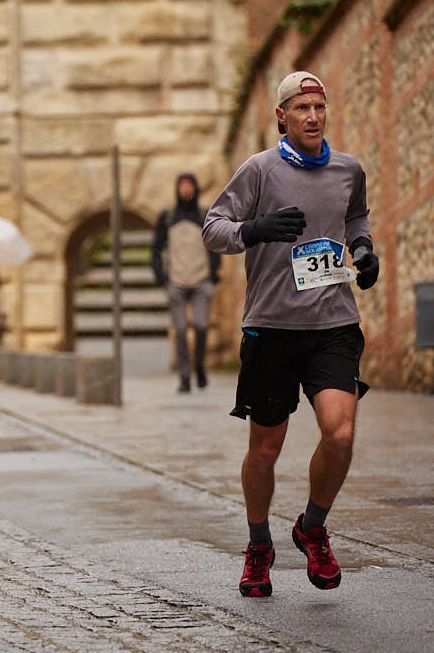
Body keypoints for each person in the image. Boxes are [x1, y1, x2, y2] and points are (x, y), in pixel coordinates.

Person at [202, 71, 379, 599]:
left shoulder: (349, 169)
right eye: (301, 107)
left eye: (319, 107)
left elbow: (357, 217)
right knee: (266, 447)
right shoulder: (259, 169)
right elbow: (214, 227)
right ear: (282, 115)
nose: (312, 116)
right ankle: (259, 548)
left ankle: (312, 528)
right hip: (273, 327)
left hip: (334, 324)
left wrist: (365, 251)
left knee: (341, 434)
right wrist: (253, 230)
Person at [151, 172, 221, 392]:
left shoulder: (204, 215)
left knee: (201, 326)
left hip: (201, 281)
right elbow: (156, 248)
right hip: (176, 281)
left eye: (189, 185)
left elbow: (215, 246)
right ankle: (184, 376)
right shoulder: (167, 217)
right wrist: (161, 277)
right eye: (182, 185)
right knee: (180, 331)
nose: (185, 189)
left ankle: (199, 366)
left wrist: (213, 274)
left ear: (196, 188)